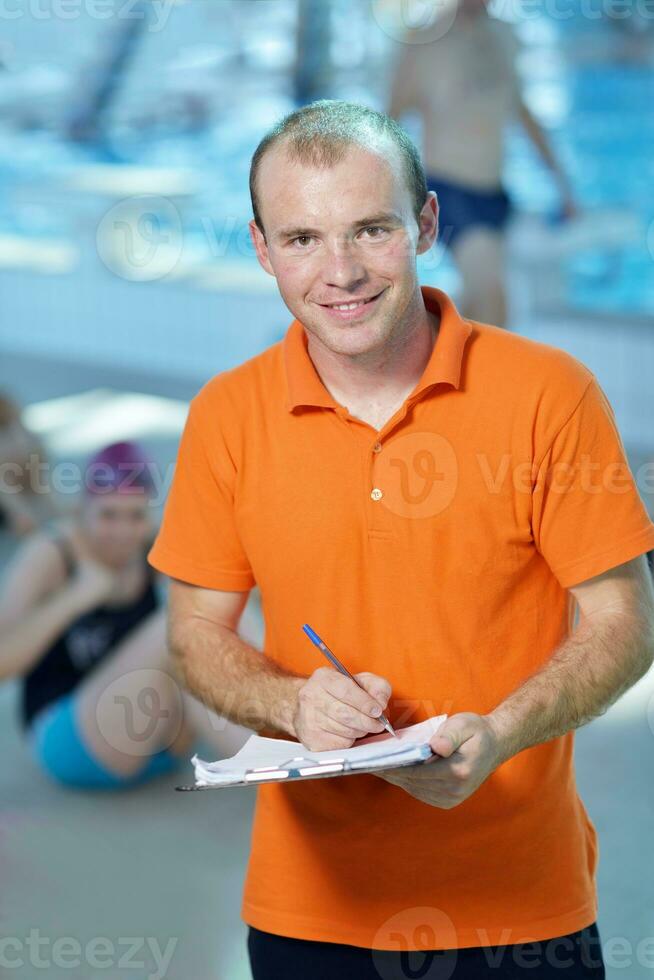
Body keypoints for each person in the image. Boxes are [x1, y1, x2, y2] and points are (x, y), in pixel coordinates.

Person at [147, 100, 654, 978]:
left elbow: (627, 619)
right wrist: (290, 705)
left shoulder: (549, 396)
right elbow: (194, 636)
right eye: (302, 240)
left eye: (369, 230)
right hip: (311, 911)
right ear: (263, 250)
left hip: (522, 909)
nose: (339, 271)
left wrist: (500, 732)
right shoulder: (226, 417)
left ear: (425, 222)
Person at [0, 440, 249, 790]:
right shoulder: (51, 554)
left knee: (217, 606)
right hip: (69, 743)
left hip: (162, 745)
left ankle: (296, 740)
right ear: (81, 511)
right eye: (108, 515)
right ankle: (283, 782)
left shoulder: (151, 544)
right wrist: (73, 599)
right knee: (179, 622)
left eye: (135, 516)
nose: (122, 532)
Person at [388, 0, 577, 328]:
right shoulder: (425, 42)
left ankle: (430, 362)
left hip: (495, 195)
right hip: (448, 192)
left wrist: (562, 185)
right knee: (492, 294)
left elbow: (523, 115)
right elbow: (390, 123)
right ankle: (478, 376)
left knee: (477, 301)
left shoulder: (504, 35)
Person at [0, 392, 59, 537]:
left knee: (31, 462)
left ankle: (46, 515)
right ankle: (24, 518)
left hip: (24, 486)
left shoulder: (13, 421)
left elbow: (37, 449)